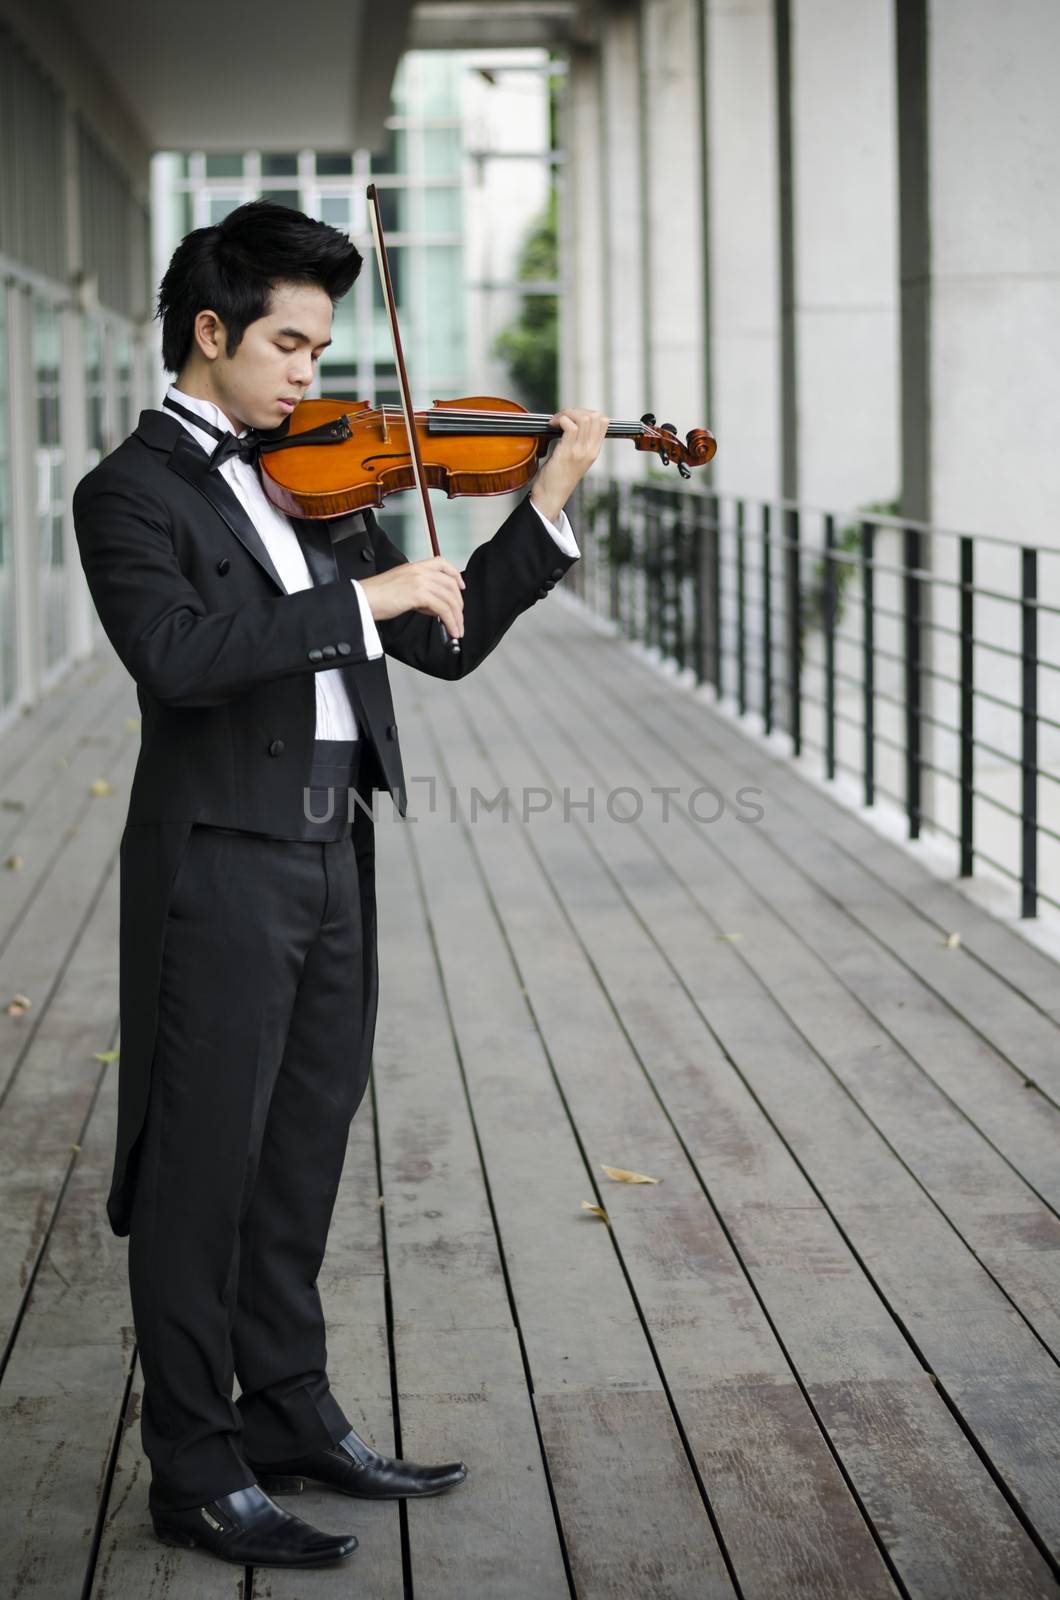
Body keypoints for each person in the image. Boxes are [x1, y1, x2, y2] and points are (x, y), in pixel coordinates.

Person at [72, 199, 608, 1572]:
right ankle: (193, 1468)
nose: (316, 373)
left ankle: (286, 1411)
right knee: (202, 1171)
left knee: (303, 1151)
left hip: (330, 849)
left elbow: (448, 640)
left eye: (323, 343)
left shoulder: (322, 477)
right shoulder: (130, 491)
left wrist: (540, 513)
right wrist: (356, 603)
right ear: (211, 332)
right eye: (291, 343)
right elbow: (181, 657)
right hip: (219, 867)